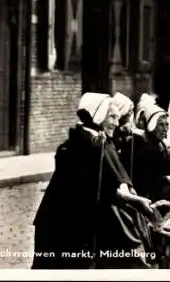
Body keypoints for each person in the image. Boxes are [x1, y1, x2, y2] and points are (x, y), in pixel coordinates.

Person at [32, 93, 156, 269]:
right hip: (61, 226)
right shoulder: (86, 144)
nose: (115, 122)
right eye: (112, 116)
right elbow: (99, 188)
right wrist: (136, 202)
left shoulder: (91, 139)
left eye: (117, 117)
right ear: (97, 116)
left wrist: (134, 200)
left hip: (68, 224)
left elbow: (105, 188)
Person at [121, 103, 170, 206]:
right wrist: (167, 179)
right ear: (152, 125)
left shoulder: (160, 143)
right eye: (161, 125)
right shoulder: (144, 146)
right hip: (148, 194)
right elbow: (143, 178)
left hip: (159, 188)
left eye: (167, 124)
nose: (165, 129)